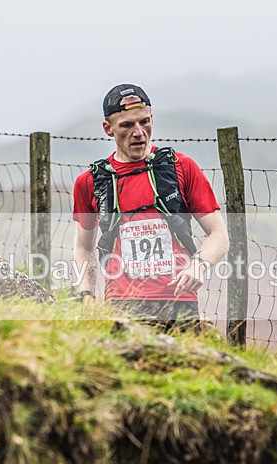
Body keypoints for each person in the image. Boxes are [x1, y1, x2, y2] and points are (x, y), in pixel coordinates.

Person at [72, 83, 229, 325]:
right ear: (108, 128)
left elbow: (219, 235)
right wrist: (87, 295)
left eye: (144, 122)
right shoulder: (89, 182)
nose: (138, 132)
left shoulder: (182, 167)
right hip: (121, 306)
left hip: (180, 304)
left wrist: (198, 266)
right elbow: (84, 246)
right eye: (126, 125)